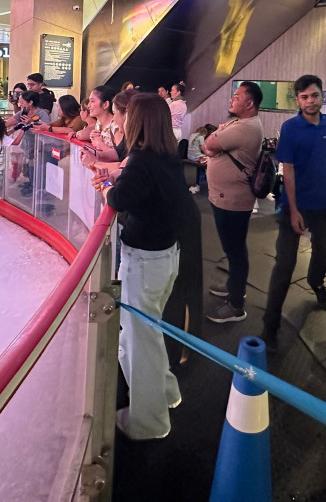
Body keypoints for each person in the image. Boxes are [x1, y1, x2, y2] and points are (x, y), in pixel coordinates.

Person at [100, 93, 197, 440]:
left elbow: (119, 198)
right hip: (165, 256)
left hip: (145, 261)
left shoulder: (142, 160)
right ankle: (167, 393)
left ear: (136, 121)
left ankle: (149, 421)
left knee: (142, 340)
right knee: (148, 333)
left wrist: (109, 184)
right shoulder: (167, 155)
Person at [261, 75, 326, 354]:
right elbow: (288, 170)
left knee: (322, 252)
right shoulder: (290, 128)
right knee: (284, 265)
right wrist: (293, 210)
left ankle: (316, 283)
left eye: (314, 96)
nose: (310, 101)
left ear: (322, 96)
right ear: (297, 99)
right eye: (304, 97)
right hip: (294, 206)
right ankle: (270, 325)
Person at [201, 81, 264, 323]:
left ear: (249, 103)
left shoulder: (245, 127)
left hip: (233, 201)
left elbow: (210, 144)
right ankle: (233, 286)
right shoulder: (239, 123)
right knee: (232, 249)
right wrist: (216, 137)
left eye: (237, 97)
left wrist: (215, 137)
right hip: (225, 198)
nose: (232, 100)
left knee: (236, 252)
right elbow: (212, 143)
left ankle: (236, 305)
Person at [87, 86, 120, 159]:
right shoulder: (98, 122)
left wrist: (100, 144)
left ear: (105, 104)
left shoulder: (115, 126)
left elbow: (120, 156)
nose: (88, 105)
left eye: (92, 101)